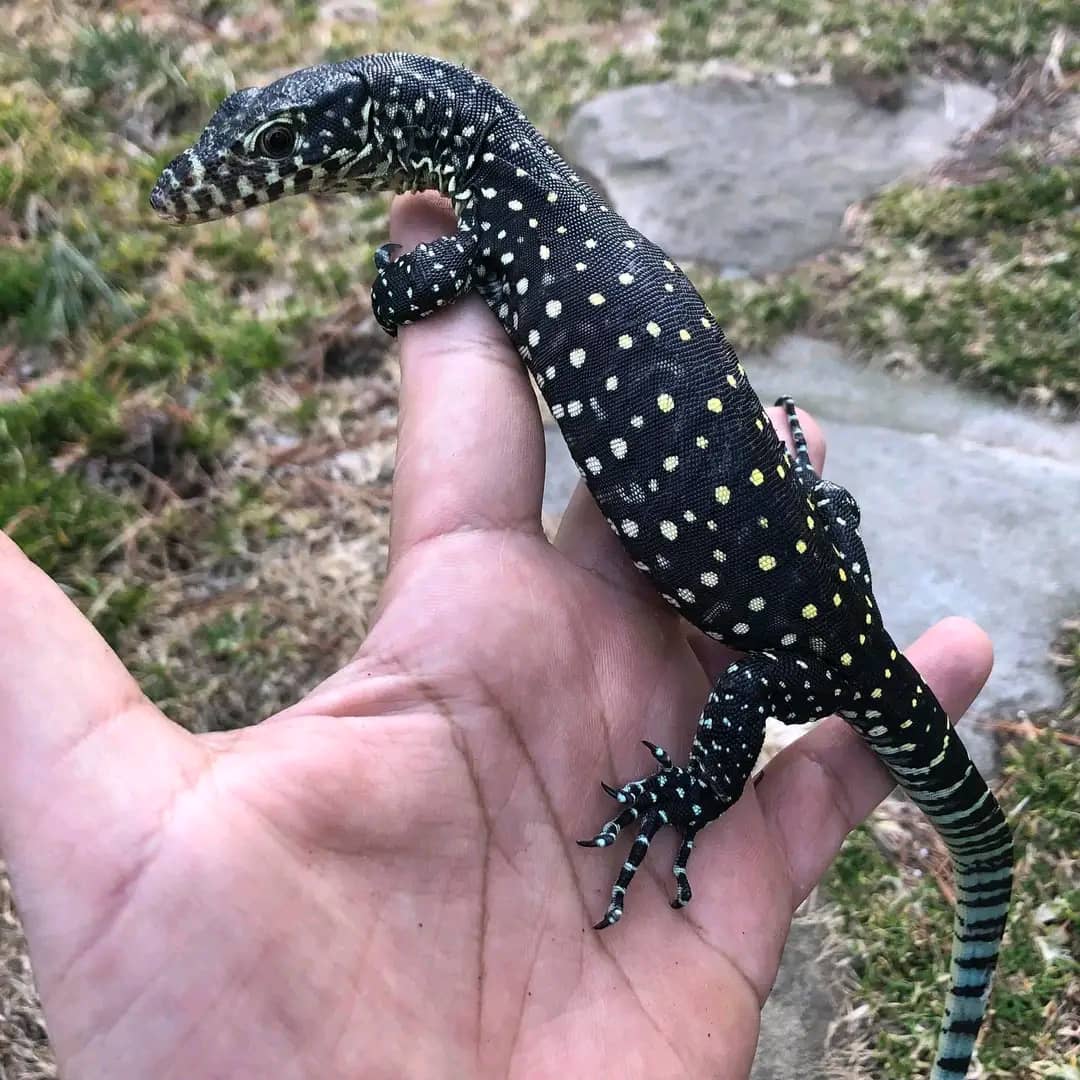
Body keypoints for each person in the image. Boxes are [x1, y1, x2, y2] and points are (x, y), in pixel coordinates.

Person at [0, 192, 993, 1078]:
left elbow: (407, 293)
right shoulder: (531, 222)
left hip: (811, 647)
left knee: (742, 686)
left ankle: (695, 796)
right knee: (816, 541)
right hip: (810, 592)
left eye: (267, 157)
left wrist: (397, 281)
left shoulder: (511, 232)